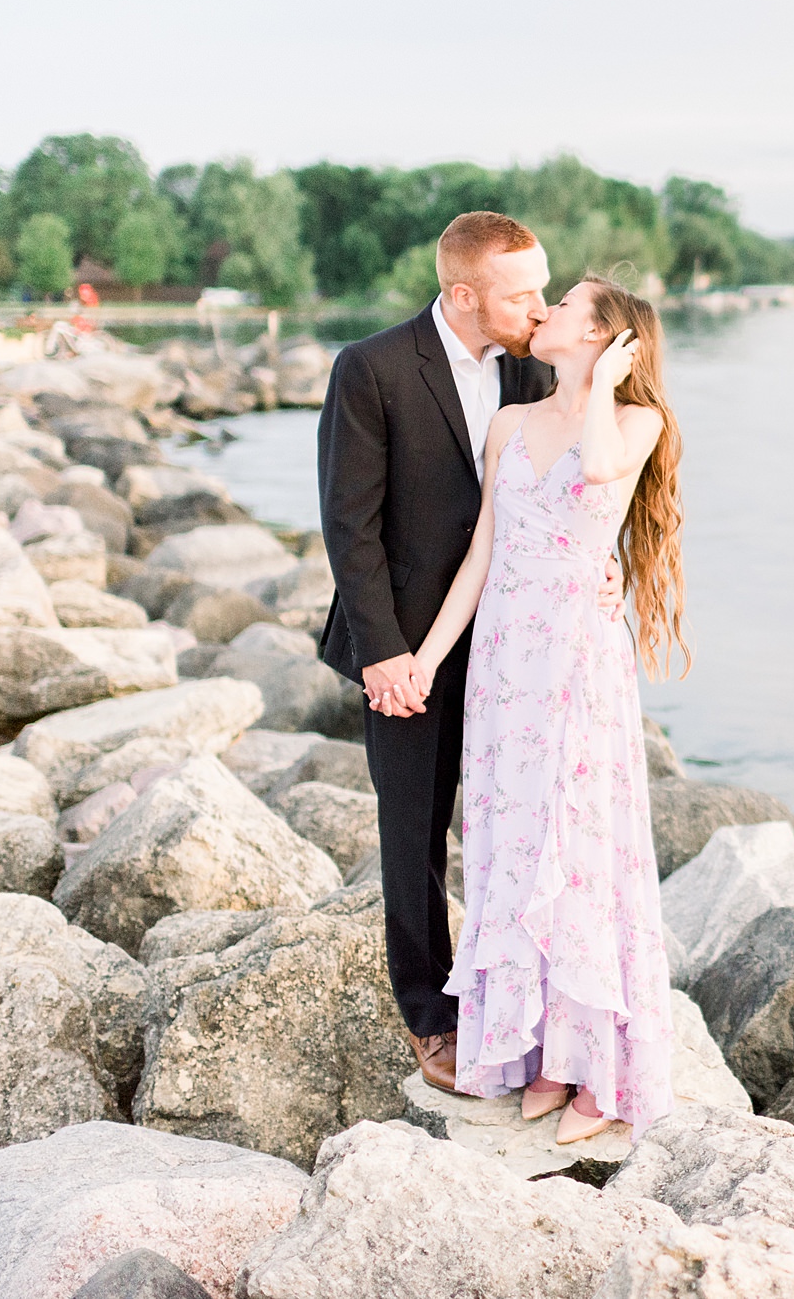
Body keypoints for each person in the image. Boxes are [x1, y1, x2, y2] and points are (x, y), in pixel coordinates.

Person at [404, 273, 686, 1144]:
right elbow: (484, 550)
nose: (547, 311)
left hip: (575, 659)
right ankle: (536, 1056)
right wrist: (425, 660)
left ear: (604, 337)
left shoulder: (637, 421)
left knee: (580, 845)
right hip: (503, 663)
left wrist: (602, 387)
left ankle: (591, 1069)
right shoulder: (508, 425)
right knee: (515, 843)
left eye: (565, 305)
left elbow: (601, 469)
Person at [316, 211, 564, 1093]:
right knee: (415, 832)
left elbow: (587, 477)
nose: (541, 305)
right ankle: (429, 1014)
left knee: (518, 829)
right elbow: (350, 527)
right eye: (521, 292)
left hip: (518, 643)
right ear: (464, 295)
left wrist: (607, 574)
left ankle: (524, 1007)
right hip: (409, 647)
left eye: (543, 286)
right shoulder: (372, 369)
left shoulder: (544, 366)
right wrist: (384, 652)